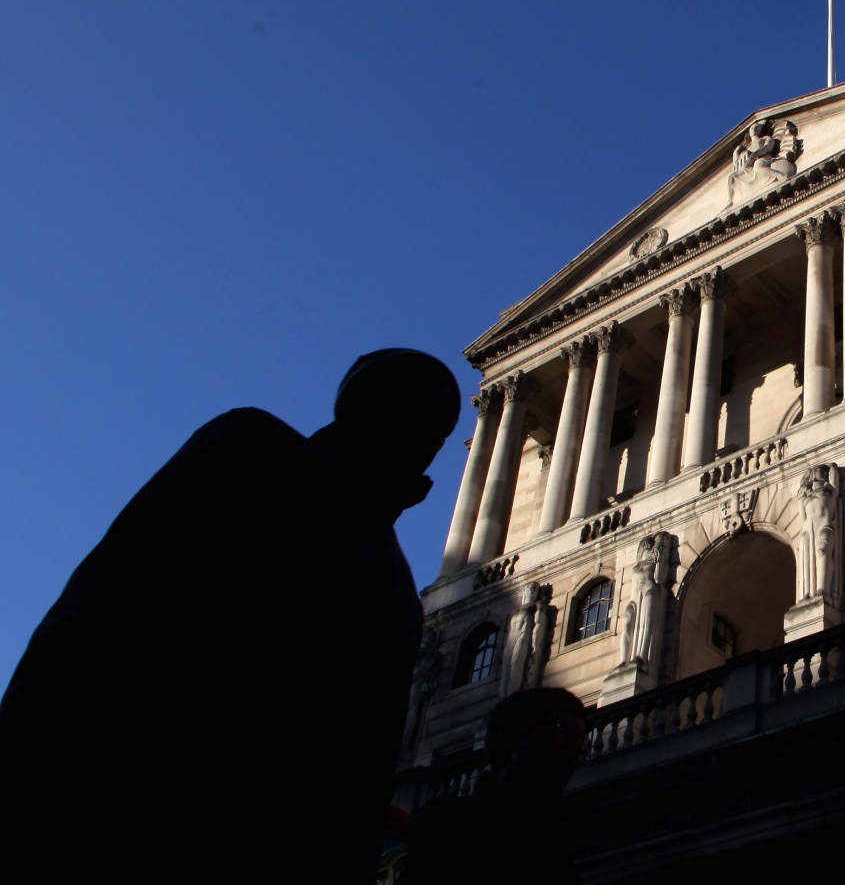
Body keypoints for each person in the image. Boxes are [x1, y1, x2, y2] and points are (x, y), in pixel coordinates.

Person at [0, 348, 461, 882]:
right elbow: (99, 613)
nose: (428, 438)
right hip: (106, 802)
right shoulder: (253, 452)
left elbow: (359, 766)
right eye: (421, 415)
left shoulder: (397, 591)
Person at [404, 687, 588, 884]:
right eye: (563, 727)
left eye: (582, 735)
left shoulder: (555, 849)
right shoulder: (444, 825)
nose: (577, 747)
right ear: (509, 730)